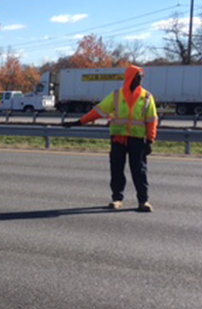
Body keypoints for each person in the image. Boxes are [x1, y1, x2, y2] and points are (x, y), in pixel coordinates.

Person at [62, 65, 157, 212]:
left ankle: (143, 201)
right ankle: (117, 199)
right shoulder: (116, 95)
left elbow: (151, 119)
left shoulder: (147, 97)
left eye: (142, 77)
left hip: (137, 139)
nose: (140, 80)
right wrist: (79, 122)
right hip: (118, 138)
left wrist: (150, 140)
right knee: (117, 169)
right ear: (130, 78)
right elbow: (98, 111)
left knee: (139, 170)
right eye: (138, 77)